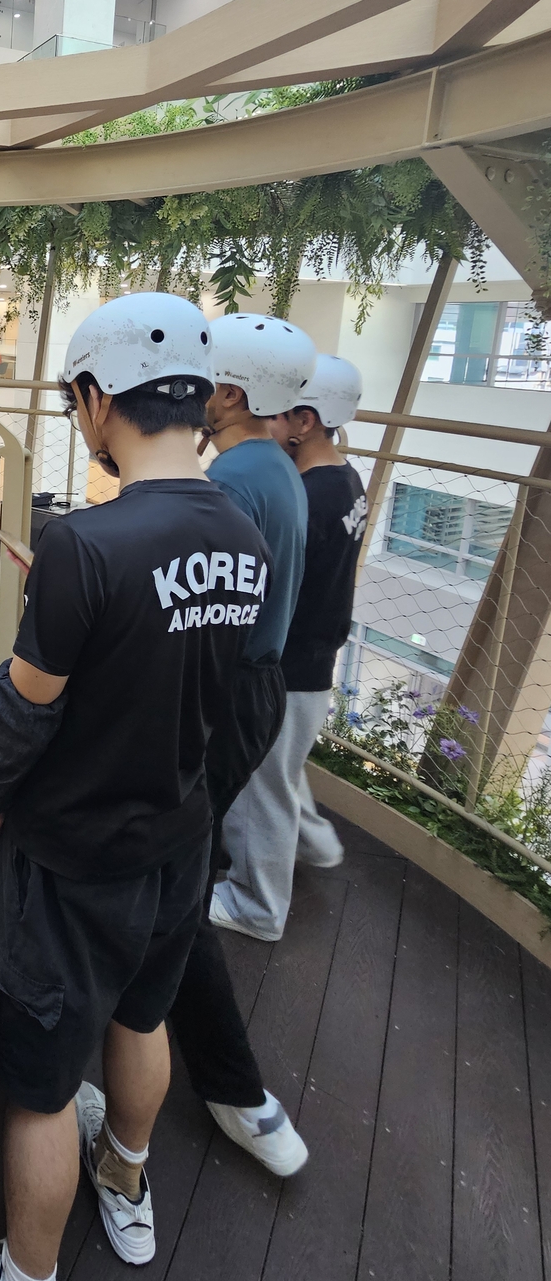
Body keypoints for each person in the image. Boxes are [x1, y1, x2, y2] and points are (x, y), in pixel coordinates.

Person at [0, 294, 273, 1281]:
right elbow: (208, 674)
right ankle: (125, 1189)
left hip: (74, 859)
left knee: (36, 1092)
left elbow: (24, 712)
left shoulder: (86, 545)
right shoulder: (241, 532)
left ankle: (23, 1280)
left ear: (94, 396)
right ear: (198, 401)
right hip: (178, 843)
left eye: (76, 403)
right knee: (139, 1020)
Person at [165, 311, 314, 1178]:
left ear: (227, 391)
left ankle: (239, 1088)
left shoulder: (231, 484)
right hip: (262, 685)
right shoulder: (280, 471)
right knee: (185, 854)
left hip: (221, 695)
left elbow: (186, 619)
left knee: (174, 889)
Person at [214, 355, 366, 940]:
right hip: (317, 659)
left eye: (279, 414)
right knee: (283, 768)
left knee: (265, 788)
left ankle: (259, 907)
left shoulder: (308, 493)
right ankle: (319, 846)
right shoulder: (344, 481)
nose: (268, 423)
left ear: (305, 421)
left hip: (290, 662)